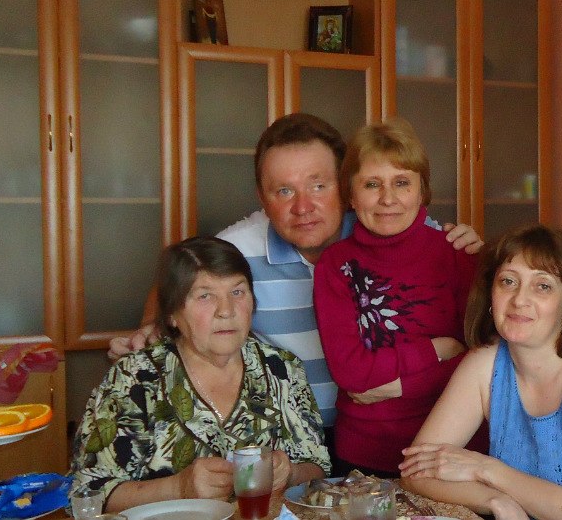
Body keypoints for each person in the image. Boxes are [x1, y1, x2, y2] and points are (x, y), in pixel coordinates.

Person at [108, 113, 483, 436]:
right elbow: (176, 282)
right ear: (262, 197)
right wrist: (150, 327)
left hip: (402, 428)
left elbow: (450, 261)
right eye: (284, 191)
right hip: (288, 437)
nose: (303, 207)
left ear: (346, 186)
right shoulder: (237, 249)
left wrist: (474, 249)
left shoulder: (384, 226)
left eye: (318, 186)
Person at [400, 224, 562, 520]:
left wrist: (487, 470)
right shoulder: (485, 362)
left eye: (542, 286)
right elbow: (414, 472)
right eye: (508, 281)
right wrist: (495, 501)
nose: (519, 299)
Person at [71, 236, 329, 512]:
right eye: (205, 296)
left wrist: (290, 473)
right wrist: (178, 488)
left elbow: (318, 468)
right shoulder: (134, 378)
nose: (226, 311)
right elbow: (88, 493)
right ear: (172, 314)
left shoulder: (282, 369)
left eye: (238, 292)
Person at [313, 118, 481, 478]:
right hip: (364, 457)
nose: (388, 199)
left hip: (454, 452)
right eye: (372, 184)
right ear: (351, 195)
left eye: (402, 183)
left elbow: (483, 362)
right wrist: (436, 350)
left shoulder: (458, 254)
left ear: (422, 192)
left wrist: (398, 386)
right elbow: (350, 372)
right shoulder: (335, 265)